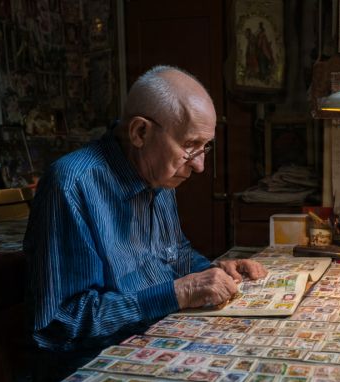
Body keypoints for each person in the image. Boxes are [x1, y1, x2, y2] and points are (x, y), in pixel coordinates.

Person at [24, 65, 266, 366]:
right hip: (98, 364)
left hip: (162, 336)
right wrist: (179, 293)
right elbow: (63, 323)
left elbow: (174, 253)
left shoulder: (159, 173)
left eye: (205, 148)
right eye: (190, 146)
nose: (200, 165)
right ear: (140, 132)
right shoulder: (72, 185)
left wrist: (216, 270)